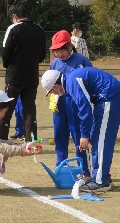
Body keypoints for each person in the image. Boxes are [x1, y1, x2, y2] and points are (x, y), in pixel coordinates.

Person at [41, 67, 120, 191]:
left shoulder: (72, 82)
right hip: (106, 99)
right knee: (97, 137)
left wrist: (84, 135)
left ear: (55, 86)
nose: (54, 94)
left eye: (52, 91)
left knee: (101, 139)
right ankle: (103, 177)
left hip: (110, 99)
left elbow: (85, 107)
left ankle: (100, 182)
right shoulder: (70, 79)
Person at [0, 0, 46, 142]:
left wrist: (9, 65)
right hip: (32, 76)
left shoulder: (13, 29)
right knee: (29, 109)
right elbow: (42, 54)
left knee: (6, 108)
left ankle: (1, 139)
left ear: (14, 15)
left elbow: (5, 53)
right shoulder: (39, 29)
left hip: (14, 76)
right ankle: (30, 141)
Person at [49, 30, 92, 179]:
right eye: (56, 51)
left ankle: (84, 169)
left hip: (76, 102)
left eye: (62, 50)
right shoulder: (54, 63)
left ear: (69, 46)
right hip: (59, 102)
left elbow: (89, 81)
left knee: (78, 134)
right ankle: (61, 165)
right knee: (59, 135)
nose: (59, 54)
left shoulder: (81, 61)